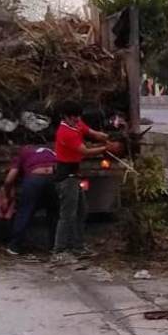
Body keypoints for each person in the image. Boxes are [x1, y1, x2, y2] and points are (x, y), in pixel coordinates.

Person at [51, 100, 110, 263]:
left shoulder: (77, 123)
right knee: (67, 215)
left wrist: (106, 137)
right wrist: (106, 148)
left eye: (78, 117)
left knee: (82, 211)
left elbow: (92, 132)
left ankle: (78, 246)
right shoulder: (65, 133)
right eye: (73, 118)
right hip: (66, 178)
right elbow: (85, 151)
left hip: (75, 176)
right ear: (65, 117)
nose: (77, 120)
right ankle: (59, 250)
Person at [2, 144, 59, 256]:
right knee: (54, 212)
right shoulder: (51, 152)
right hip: (54, 178)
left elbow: (9, 180)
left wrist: (7, 196)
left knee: (25, 212)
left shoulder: (23, 152)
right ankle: (55, 246)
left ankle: (15, 246)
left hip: (34, 179)